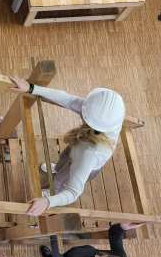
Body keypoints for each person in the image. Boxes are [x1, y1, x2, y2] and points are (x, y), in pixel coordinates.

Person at [9, 77, 126, 216]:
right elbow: (69, 99)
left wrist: (47, 202)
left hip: (82, 162)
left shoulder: (89, 154)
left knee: (61, 180)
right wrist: (32, 88)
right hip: (76, 150)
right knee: (61, 163)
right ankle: (56, 170)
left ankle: (53, 192)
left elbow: (73, 191)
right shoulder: (108, 119)